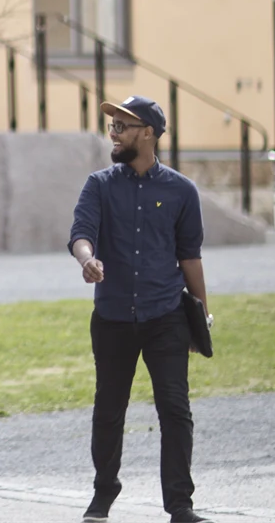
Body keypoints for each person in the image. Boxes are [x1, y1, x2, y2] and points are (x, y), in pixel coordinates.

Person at [70, 95, 212, 523]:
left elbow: (190, 257)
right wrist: (86, 259)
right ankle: (103, 494)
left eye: (122, 126)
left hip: (165, 314)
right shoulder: (98, 185)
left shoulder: (182, 191)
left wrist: (200, 315)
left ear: (148, 133)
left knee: (174, 408)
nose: (113, 133)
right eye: (111, 126)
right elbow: (81, 233)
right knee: (109, 408)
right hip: (112, 316)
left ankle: (180, 504)